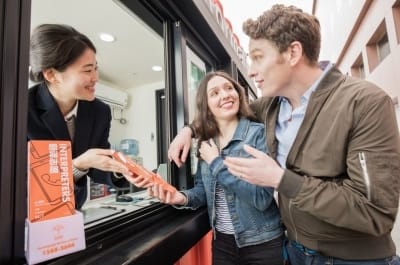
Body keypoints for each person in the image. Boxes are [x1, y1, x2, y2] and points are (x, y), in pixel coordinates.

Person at [168, 4, 400, 264]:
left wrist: (281, 179)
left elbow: (374, 212)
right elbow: (219, 112)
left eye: (258, 57)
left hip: (354, 260)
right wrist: (188, 130)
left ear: (292, 52)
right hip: (295, 253)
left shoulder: (365, 102)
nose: (252, 70)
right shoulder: (269, 106)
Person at [127, 71, 284, 265]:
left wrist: (217, 163)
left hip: (263, 243)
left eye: (229, 88)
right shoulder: (206, 144)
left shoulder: (257, 134)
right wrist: (181, 197)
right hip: (223, 244)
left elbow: (261, 198)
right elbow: (204, 191)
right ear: (207, 106)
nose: (225, 94)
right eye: (215, 93)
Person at [28, 24, 131, 209]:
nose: (96, 77)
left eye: (96, 68)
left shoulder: (100, 112)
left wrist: (122, 170)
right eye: (87, 70)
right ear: (52, 74)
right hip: (24, 215)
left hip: (73, 210)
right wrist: (78, 165)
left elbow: (97, 162)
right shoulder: (22, 111)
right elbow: (24, 179)